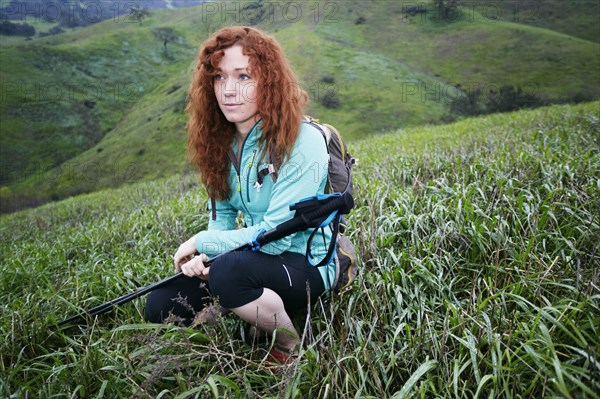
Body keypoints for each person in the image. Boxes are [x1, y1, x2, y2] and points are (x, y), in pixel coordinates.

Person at [144, 26, 336, 362]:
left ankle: (290, 348)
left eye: (244, 76)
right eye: (219, 78)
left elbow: (276, 239)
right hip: (255, 258)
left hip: (305, 263)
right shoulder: (220, 144)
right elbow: (222, 220)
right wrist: (207, 257)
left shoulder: (302, 141)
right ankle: (247, 307)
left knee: (229, 272)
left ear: (269, 81)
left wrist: (203, 245)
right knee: (160, 304)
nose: (229, 91)